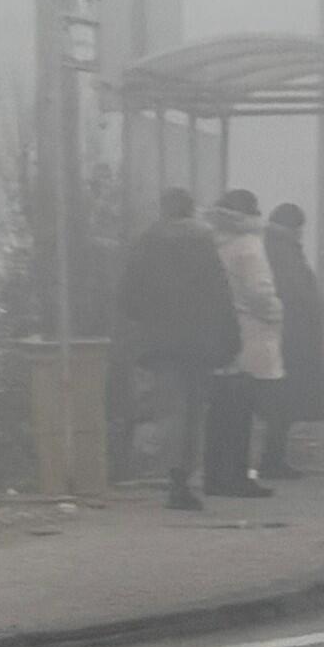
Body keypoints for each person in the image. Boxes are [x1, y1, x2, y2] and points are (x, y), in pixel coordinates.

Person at [117, 188, 240, 510]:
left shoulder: (145, 241)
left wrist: (150, 319)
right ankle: (185, 477)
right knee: (194, 410)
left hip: (159, 342)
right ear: (190, 210)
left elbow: (128, 296)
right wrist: (229, 337)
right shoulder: (203, 240)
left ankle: (173, 478)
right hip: (199, 342)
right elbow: (219, 293)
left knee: (170, 410)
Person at [202, 189, 282, 497]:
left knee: (219, 411)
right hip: (249, 335)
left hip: (218, 334)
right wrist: (276, 313)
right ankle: (236, 476)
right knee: (241, 412)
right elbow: (260, 293)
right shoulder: (249, 247)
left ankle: (214, 476)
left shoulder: (212, 243)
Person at [260, 203, 324, 478]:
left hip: (287, 334)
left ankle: (274, 458)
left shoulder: (275, 246)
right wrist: (317, 310)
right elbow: (294, 291)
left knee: (283, 400)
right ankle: (273, 459)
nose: (302, 234)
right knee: (284, 400)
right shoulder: (283, 250)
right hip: (292, 337)